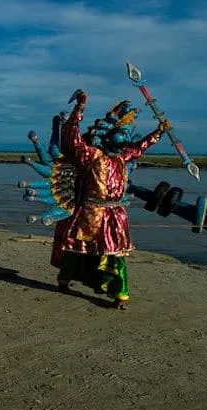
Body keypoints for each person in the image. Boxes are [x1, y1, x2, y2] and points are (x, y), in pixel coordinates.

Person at [58, 90, 170, 309]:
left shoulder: (122, 157)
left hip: (114, 215)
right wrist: (79, 107)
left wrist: (159, 132)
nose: (125, 141)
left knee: (115, 254)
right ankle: (64, 280)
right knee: (77, 248)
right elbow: (70, 135)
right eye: (121, 135)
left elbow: (140, 148)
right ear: (109, 137)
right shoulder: (90, 155)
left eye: (126, 136)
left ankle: (119, 294)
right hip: (90, 212)